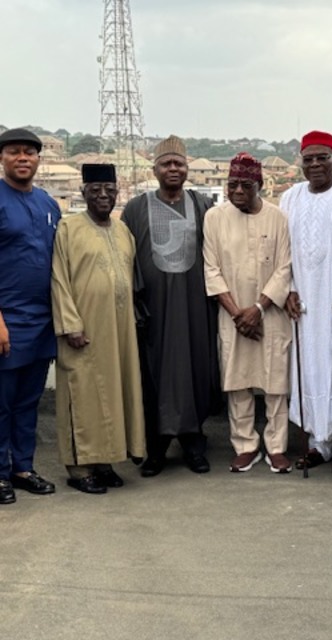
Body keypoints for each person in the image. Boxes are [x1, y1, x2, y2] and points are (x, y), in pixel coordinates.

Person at [122, 135, 221, 477]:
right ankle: (157, 447)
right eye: (166, 163)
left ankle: (193, 442)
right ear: (155, 169)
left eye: (179, 163)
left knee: (196, 370)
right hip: (154, 310)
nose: (173, 168)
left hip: (195, 309)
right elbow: (125, 258)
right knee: (154, 374)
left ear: (187, 168)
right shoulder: (136, 208)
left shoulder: (203, 205)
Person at [51, 164, 145, 494]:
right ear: (84, 193)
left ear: (118, 193)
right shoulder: (69, 228)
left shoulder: (122, 231)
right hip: (83, 329)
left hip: (119, 330)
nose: (103, 195)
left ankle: (105, 461)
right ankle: (79, 468)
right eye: (95, 190)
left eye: (109, 189)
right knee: (83, 393)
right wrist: (70, 324)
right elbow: (59, 279)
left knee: (114, 393)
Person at [203, 153, 293, 473]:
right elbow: (211, 270)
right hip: (232, 316)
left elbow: (284, 269)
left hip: (271, 314)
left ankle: (277, 447)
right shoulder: (214, 218)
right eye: (232, 185)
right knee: (237, 381)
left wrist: (257, 309)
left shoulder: (278, 218)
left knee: (276, 383)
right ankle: (245, 445)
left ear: (260, 185)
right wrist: (238, 315)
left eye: (245, 185)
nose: (238, 191)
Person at [280, 130, 332, 474]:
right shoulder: (290, 198)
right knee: (310, 369)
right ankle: (319, 443)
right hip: (304, 303)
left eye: (322, 158)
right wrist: (288, 288)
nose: (315, 164)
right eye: (308, 159)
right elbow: (282, 251)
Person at [0, 128, 59, 505]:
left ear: (39, 159)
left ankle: (22, 467)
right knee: (2, 403)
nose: (23, 158)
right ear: (2, 158)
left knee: (27, 401)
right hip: (7, 321)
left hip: (43, 322)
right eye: (14, 152)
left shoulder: (48, 204)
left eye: (30, 152)